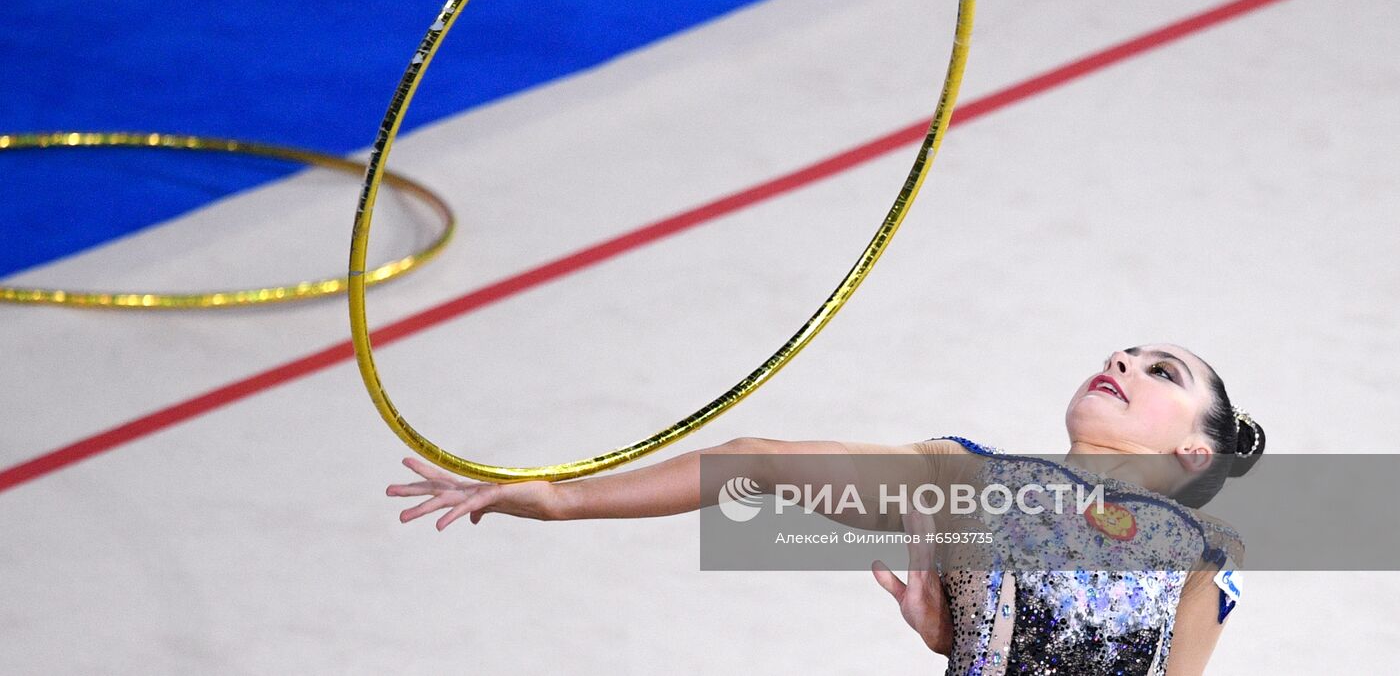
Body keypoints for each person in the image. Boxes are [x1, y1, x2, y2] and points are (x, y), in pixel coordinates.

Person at [387, 342, 1264, 674]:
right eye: (1126, 349)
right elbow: (754, 465)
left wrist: (947, 635)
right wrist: (560, 498)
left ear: (1193, 449)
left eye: (1162, 372)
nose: (1123, 359)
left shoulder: (1201, 551)